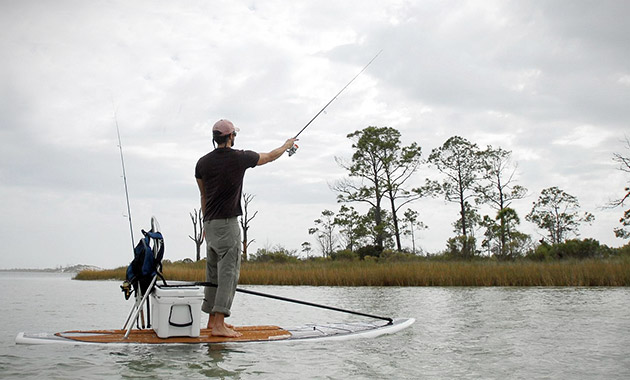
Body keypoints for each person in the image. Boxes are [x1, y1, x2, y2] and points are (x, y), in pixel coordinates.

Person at [195, 119, 297, 337]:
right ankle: (220, 324)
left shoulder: (201, 163)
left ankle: (212, 322)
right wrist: (287, 145)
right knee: (228, 274)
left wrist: (205, 222)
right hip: (228, 225)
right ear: (231, 137)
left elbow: (203, 195)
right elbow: (269, 156)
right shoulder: (241, 158)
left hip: (210, 226)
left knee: (212, 274)